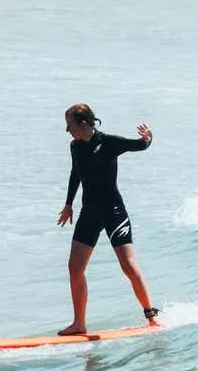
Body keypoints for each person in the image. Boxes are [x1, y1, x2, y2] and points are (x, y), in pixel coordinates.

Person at [56, 103, 159, 335]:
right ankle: (79, 324)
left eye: (69, 125)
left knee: (129, 267)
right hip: (89, 213)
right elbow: (75, 173)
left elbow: (140, 146)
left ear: (83, 123)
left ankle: (151, 316)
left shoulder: (109, 143)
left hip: (114, 212)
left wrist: (148, 138)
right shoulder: (75, 146)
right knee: (74, 268)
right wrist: (69, 204)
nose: (67, 130)